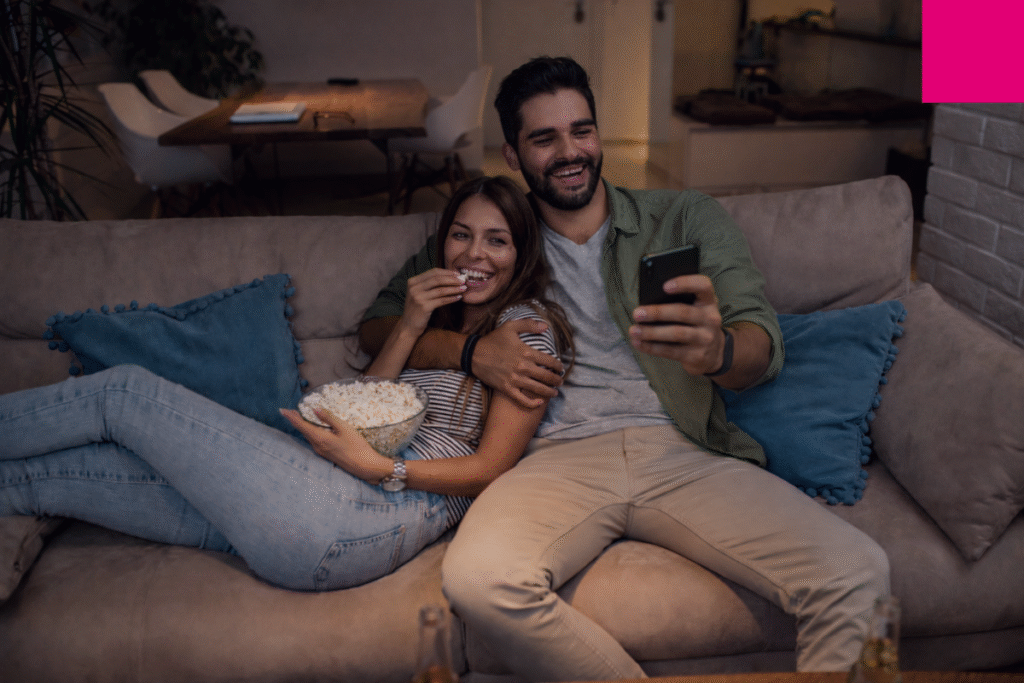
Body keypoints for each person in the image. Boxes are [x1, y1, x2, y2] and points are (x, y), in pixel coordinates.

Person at [358, 57, 890, 681]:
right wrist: (473, 352)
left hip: (680, 450)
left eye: (582, 130)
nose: (570, 151)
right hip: (550, 460)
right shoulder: (496, 231)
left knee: (858, 572)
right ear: (512, 153)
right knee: (480, 582)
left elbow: (761, 346)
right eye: (544, 138)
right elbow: (380, 326)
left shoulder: (684, 217)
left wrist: (717, 351)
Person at [0, 175, 572, 593]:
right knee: (35, 481)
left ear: (521, 254)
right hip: (298, 501)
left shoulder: (526, 331)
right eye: (461, 236)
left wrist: (383, 470)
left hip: (363, 516)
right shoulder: (441, 320)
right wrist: (412, 323)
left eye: (496, 240)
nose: (474, 254)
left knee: (121, 393)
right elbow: (365, 405)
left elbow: (492, 467)